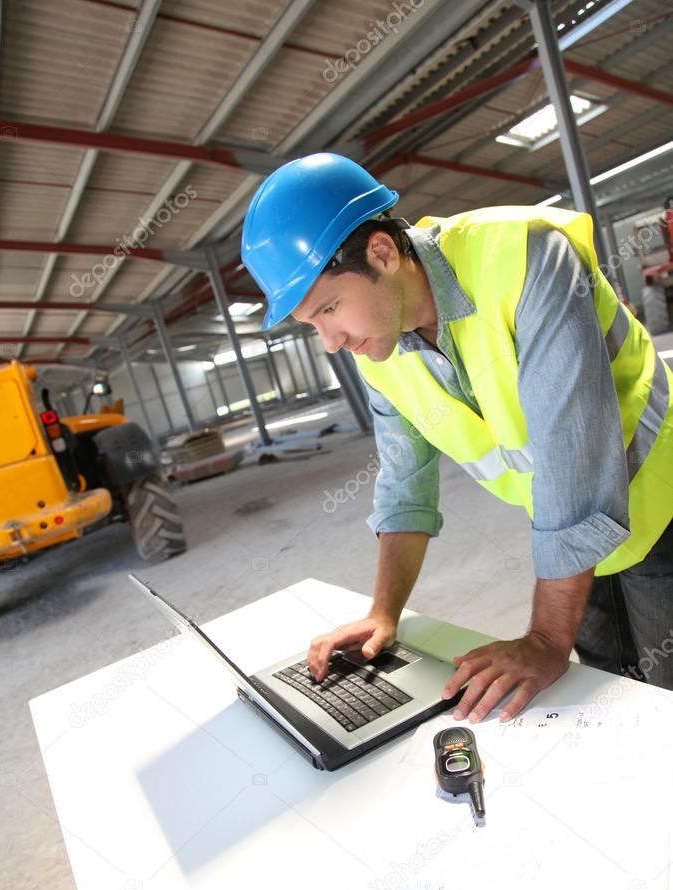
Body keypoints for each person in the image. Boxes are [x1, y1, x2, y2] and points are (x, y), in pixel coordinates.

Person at [241, 153, 673, 723]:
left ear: (382, 253)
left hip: (658, 501)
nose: (330, 341)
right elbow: (404, 486)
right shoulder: (380, 349)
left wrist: (544, 638)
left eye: (329, 308)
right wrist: (383, 612)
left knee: (662, 692)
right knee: (606, 698)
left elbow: (576, 460)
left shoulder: (525, 257)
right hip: (566, 534)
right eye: (311, 323)